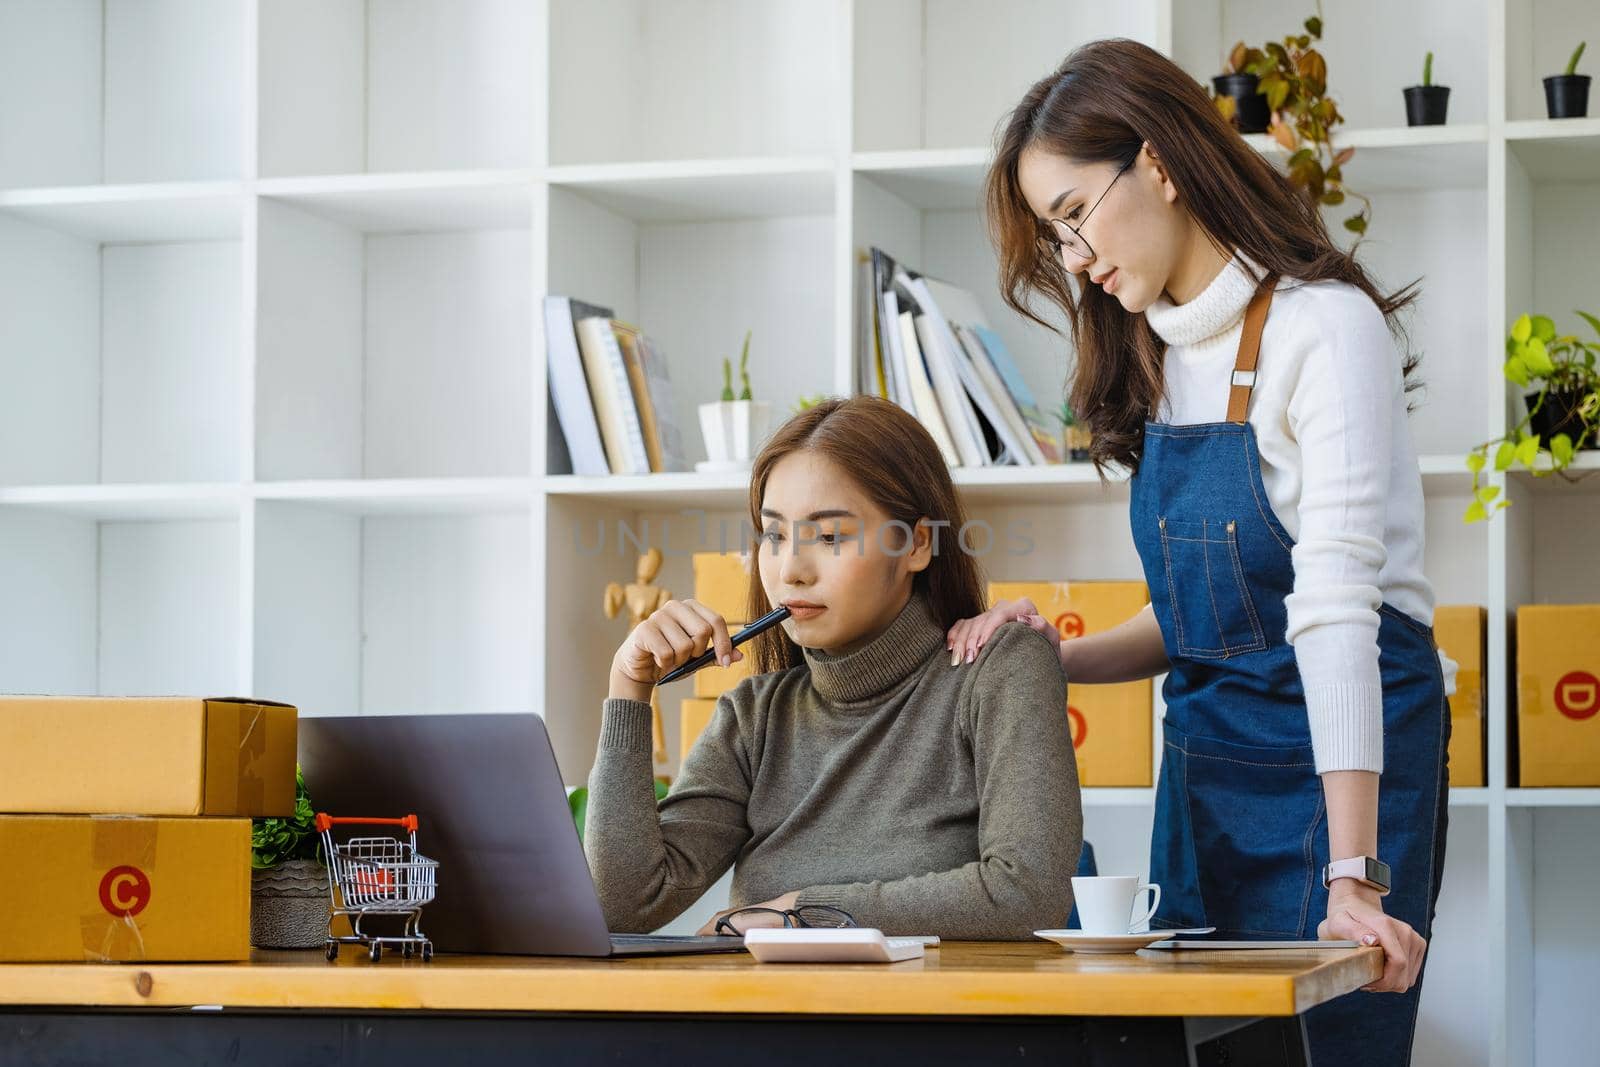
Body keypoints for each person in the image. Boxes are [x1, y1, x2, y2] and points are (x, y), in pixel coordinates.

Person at [948, 39, 1446, 1064]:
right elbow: (1202, 616)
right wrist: (1054, 648)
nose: (1076, 258)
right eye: (1056, 237)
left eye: (1075, 213)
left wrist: (1352, 874)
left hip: (1339, 768)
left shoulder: (1325, 329)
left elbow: (1332, 608)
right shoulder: (1153, 352)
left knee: (1331, 1043)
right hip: (1205, 765)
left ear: (1159, 163)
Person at [584, 395, 1082, 939]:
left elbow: (1029, 894)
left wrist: (799, 912)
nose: (791, 570)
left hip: (932, 1020)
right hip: (762, 1020)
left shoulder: (999, 669)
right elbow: (623, 907)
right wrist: (628, 686)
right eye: (774, 535)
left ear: (916, 544)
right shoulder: (755, 717)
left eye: (829, 536)